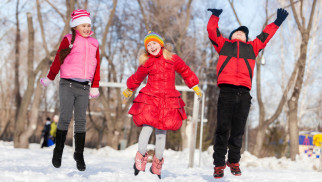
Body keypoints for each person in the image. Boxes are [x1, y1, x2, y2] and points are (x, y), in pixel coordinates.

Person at [207, 8, 288, 179]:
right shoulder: (223, 45)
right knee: (222, 129)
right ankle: (219, 164)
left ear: (247, 38)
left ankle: (234, 161)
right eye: (236, 33)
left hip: (244, 93)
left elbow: (265, 36)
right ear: (231, 37)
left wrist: (277, 22)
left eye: (242, 34)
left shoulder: (252, 48)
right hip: (226, 91)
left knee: (238, 130)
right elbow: (212, 32)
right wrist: (215, 16)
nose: (239, 34)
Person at [122, 31, 203, 179]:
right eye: (149, 45)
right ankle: (140, 160)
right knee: (146, 128)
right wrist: (129, 89)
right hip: (151, 99)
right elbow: (138, 77)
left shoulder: (173, 59)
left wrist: (194, 85)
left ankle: (157, 165)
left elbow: (185, 71)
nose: (152, 46)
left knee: (161, 133)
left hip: (167, 101)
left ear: (160, 44)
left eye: (154, 43)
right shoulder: (147, 62)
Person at [40, 9, 100, 171]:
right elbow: (58, 59)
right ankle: (58, 150)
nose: (87, 28)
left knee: (81, 120)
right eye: (83, 25)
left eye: (89, 25)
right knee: (65, 117)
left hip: (84, 87)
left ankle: (78, 154)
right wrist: (50, 77)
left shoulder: (94, 43)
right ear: (75, 27)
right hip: (67, 84)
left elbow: (97, 66)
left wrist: (95, 85)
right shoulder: (68, 39)